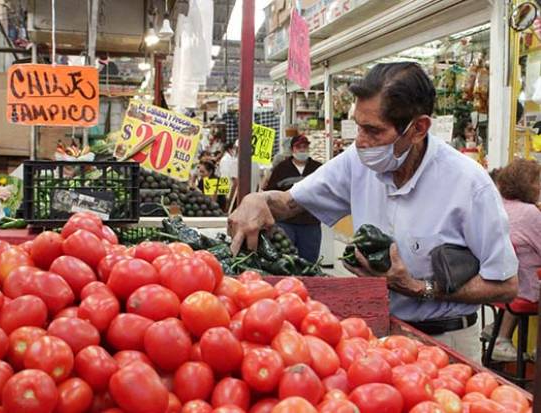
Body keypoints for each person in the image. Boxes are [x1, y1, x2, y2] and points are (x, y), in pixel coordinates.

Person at [228, 62, 518, 362]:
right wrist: (258, 200)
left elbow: (506, 285)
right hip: (377, 336)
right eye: (358, 126)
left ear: (418, 128)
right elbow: (291, 202)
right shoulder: (358, 161)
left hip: (446, 343)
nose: (361, 142)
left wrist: (418, 288)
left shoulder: (468, 184)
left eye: (374, 131)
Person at [489, 159, 541, 361]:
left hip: (496, 284)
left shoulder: (500, 205)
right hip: (524, 288)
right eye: (538, 180)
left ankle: (498, 331)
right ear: (528, 184)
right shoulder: (530, 213)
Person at [265, 135, 323, 262]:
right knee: (286, 259)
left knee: (309, 261)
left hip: (310, 223)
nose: (302, 150)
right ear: (292, 149)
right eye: (298, 147)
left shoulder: (318, 168)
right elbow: (270, 193)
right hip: (285, 223)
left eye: (305, 146)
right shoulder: (281, 168)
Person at [219, 141, 238, 210]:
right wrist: (225, 195)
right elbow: (224, 177)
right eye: (235, 148)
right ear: (230, 149)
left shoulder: (232, 159)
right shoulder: (225, 160)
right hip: (228, 189)